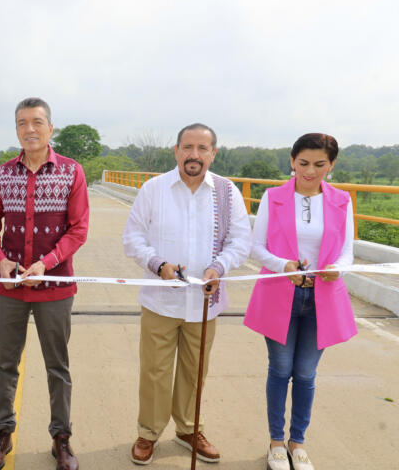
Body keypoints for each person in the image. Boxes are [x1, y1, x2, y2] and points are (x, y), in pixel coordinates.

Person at [123, 123, 251, 465]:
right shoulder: (154, 189)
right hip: (160, 299)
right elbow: (133, 238)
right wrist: (157, 263)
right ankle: (148, 432)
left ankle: (188, 429)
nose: (194, 155)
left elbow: (241, 240)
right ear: (176, 150)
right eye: (188, 147)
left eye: (202, 148)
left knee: (195, 370)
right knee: (154, 370)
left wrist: (220, 267)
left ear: (213, 153)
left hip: (204, 302)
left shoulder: (226, 192)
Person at [0, 97, 89, 470]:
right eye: (22, 123)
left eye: (37, 122)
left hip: (55, 288)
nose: (30, 129)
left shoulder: (72, 172)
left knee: (58, 366)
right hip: (10, 289)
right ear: (15, 130)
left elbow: (78, 230)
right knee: (6, 364)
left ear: (50, 128)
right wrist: (0, 260)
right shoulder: (2, 174)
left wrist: (47, 262)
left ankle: (62, 438)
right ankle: (3, 433)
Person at [244, 133, 356, 470]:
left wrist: (339, 269)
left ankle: (298, 442)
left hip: (322, 298)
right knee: (280, 370)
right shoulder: (273, 197)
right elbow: (256, 246)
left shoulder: (341, 201)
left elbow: (348, 251)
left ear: (331, 165)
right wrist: (283, 266)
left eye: (319, 164)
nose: (310, 171)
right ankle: (276, 442)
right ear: (292, 161)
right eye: (303, 163)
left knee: (306, 374)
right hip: (281, 293)